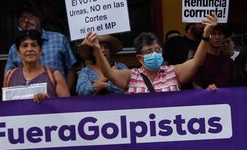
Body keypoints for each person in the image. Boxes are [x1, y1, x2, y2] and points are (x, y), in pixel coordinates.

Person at [81, 14, 219, 94]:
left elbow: (196, 62)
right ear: (139, 58)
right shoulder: (131, 76)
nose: (154, 53)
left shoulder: (173, 72)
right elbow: (110, 74)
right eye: (148, 51)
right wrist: (97, 50)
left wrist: (206, 36)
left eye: (157, 50)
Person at [4, 8, 78, 91]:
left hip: (56, 99)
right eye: (22, 19)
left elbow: (71, 67)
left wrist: (64, 93)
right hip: (26, 99)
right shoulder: (14, 48)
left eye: (30, 16)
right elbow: (8, 78)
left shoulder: (59, 39)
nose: (26, 20)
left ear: (39, 18)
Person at [4, 29, 70, 104]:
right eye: (24, 46)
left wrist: (48, 102)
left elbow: (66, 106)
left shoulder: (54, 76)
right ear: (18, 52)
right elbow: (7, 108)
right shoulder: (9, 76)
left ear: (40, 50)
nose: (29, 49)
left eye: (34, 45)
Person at [193, 23, 235, 90]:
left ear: (224, 37)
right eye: (213, 33)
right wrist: (205, 93)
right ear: (206, 36)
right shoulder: (199, 60)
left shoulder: (229, 62)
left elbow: (234, 85)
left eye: (220, 33)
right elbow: (195, 84)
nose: (217, 37)